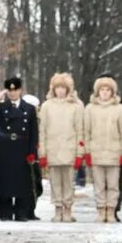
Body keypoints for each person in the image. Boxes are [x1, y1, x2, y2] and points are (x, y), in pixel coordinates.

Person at [0, 78, 39, 221]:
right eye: (9, 90)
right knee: (4, 182)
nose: (12, 93)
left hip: (22, 146)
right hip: (4, 146)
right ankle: (5, 213)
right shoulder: (1, 106)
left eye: (15, 90)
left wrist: (32, 152)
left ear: (20, 90)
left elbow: (33, 133)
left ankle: (21, 213)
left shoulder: (29, 108)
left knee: (22, 181)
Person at [36, 73, 85, 223]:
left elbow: (80, 130)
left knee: (69, 182)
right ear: (53, 89)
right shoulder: (46, 106)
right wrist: (42, 153)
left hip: (70, 149)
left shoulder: (76, 106)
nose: (61, 91)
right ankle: (57, 208)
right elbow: (42, 130)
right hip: (52, 149)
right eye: (58, 87)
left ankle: (68, 209)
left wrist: (79, 153)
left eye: (63, 87)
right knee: (55, 182)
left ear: (68, 89)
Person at [83, 77, 122, 223]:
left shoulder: (119, 108)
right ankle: (101, 209)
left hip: (114, 152)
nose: (105, 93)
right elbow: (86, 132)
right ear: (97, 91)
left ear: (112, 92)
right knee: (99, 184)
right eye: (102, 90)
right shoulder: (90, 108)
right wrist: (87, 152)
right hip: (96, 152)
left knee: (113, 184)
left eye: (108, 90)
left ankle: (111, 210)